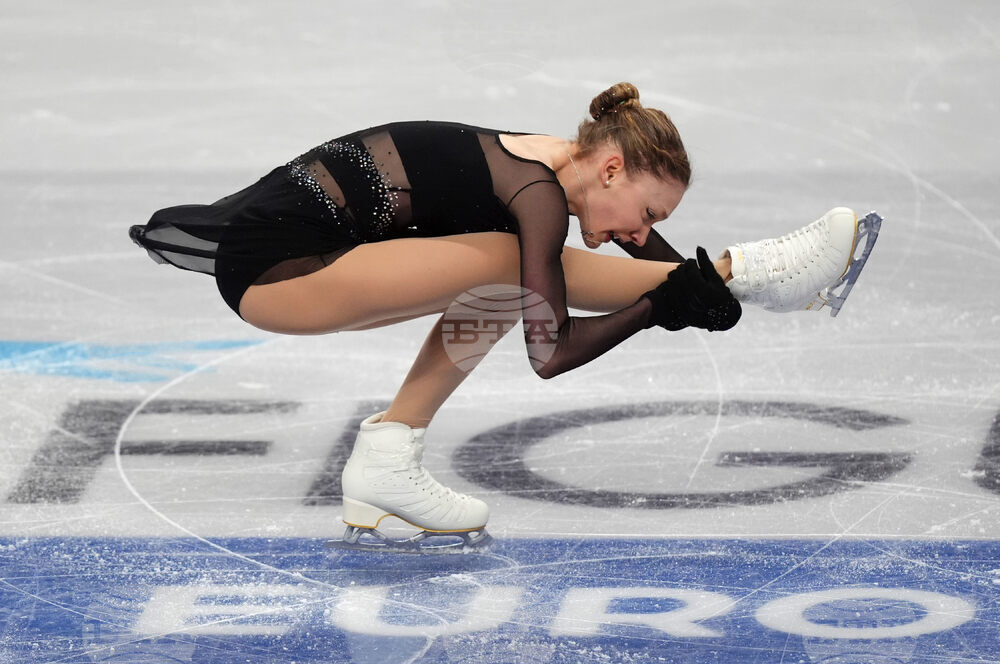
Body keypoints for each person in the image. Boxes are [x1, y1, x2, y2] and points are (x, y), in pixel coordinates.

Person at [129, 82, 879, 552]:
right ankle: (758, 271)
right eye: (644, 213)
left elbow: (633, 253)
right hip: (280, 271)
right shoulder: (539, 196)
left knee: (511, 266)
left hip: (304, 259)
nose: (636, 231)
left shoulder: (560, 165)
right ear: (611, 168)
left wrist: (689, 286)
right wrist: (662, 304)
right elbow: (549, 354)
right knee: (506, 264)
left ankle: (386, 460)